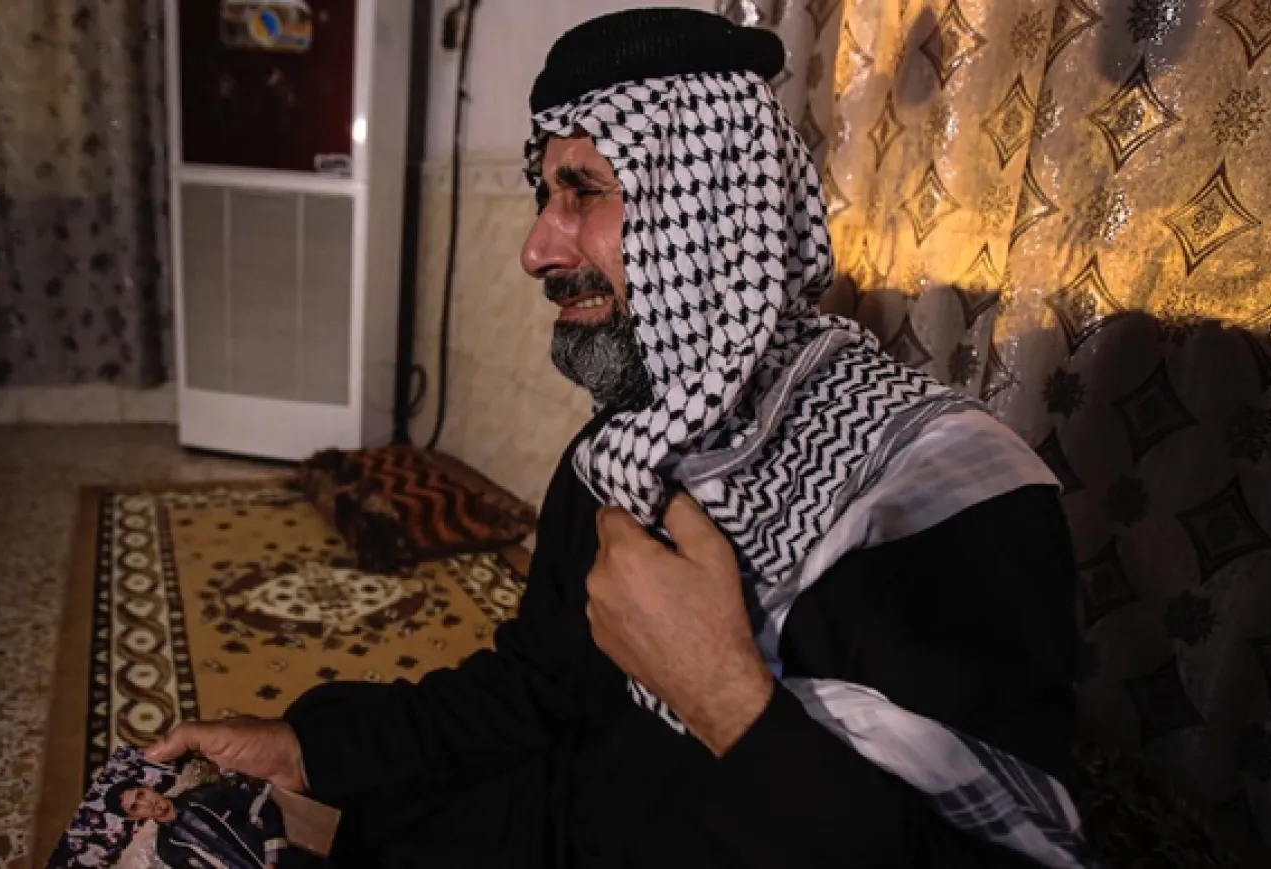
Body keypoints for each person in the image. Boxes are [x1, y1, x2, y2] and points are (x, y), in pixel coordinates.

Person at [150, 9, 1092, 867]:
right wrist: (307, 747)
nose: (536, 249)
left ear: (713, 209)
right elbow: (536, 688)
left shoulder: (948, 496)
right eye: (544, 194)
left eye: (584, 191)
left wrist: (727, 701)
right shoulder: (627, 450)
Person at [107, 778, 289, 868]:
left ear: (148, 787)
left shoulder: (206, 795)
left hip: (285, 861)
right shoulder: (167, 850)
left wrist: (272, 859)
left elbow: (264, 806)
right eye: (135, 807)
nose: (147, 804)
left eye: (141, 795)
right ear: (133, 818)